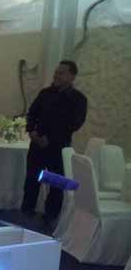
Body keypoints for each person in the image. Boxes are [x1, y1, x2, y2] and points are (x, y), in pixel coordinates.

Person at [22, 60, 87, 222]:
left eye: (61, 73)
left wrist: (50, 138)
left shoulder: (78, 99)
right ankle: (26, 212)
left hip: (58, 147)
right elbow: (32, 113)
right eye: (56, 72)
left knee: (56, 184)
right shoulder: (45, 93)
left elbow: (75, 123)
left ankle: (50, 217)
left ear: (72, 76)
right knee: (32, 179)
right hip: (37, 144)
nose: (56, 75)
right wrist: (32, 131)